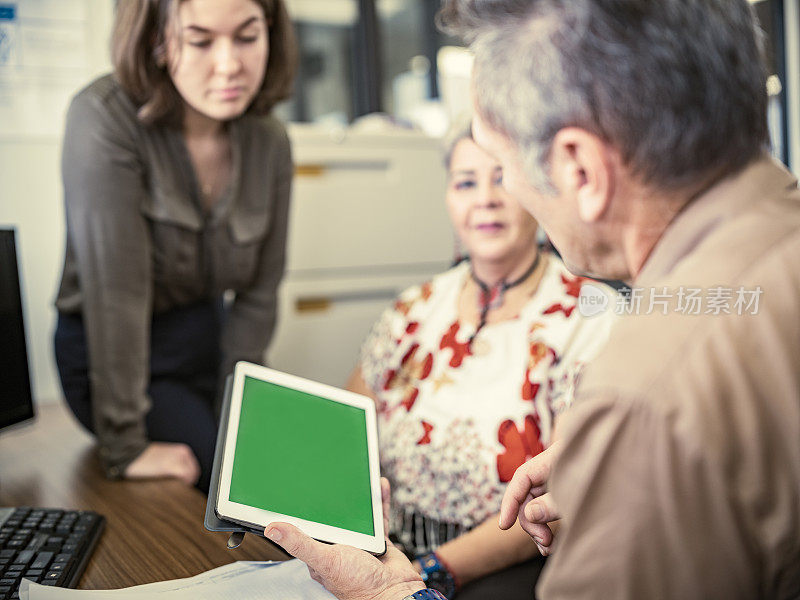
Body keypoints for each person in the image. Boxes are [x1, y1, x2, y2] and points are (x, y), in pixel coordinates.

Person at [259, 1, 800, 599]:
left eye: (507, 164)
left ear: (580, 171)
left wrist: (388, 593)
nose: (501, 193)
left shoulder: (643, 389)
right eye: (467, 179)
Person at [345, 120, 615, 598]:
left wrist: (426, 573)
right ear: (449, 197)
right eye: (466, 182)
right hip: (387, 549)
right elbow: (343, 429)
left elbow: (568, 484)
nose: (485, 198)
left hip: (508, 563)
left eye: (503, 178)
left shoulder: (587, 314)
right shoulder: (413, 308)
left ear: (538, 191)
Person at [54, 0, 297, 493]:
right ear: (157, 40)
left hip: (208, 337)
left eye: (247, 37)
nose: (229, 65)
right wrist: (126, 445)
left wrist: (245, 417)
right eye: (201, 41)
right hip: (116, 357)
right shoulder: (103, 118)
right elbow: (115, 299)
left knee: (274, 473)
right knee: (225, 481)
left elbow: (260, 291)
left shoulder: (270, 139)